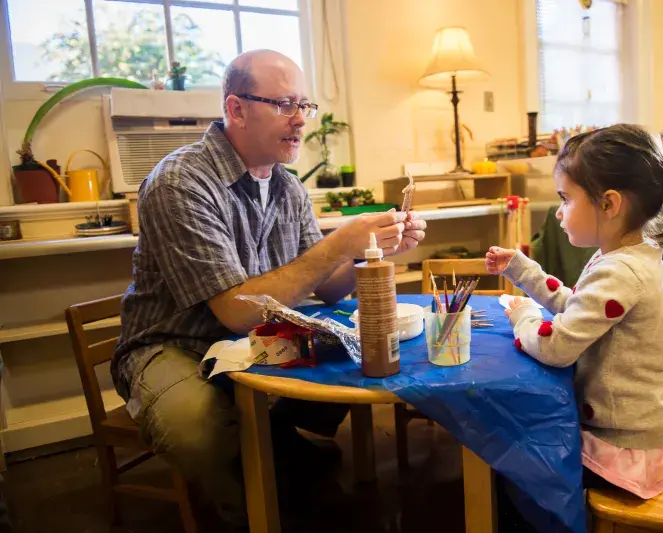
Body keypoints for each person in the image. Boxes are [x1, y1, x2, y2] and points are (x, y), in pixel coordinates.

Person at [112, 49, 427, 528]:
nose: (300, 120)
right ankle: (245, 508)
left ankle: (277, 450)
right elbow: (237, 313)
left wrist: (370, 250)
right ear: (236, 109)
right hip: (174, 341)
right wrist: (338, 241)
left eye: (304, 105)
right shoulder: (180, 182)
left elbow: (329, 290)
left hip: (251, 338)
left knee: (347, 353)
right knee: (195, 426)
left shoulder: (287, 186)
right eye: (284, 105)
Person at [485, 124, 663, 500]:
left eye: (565, 198)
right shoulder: (628, 257)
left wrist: (523, 317)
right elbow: (576, 307)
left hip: (626, 452)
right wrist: (521, 268)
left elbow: (556, 347)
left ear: (609, 203)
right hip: (636, 438)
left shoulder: (620, 272)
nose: (559, 213)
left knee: (511, 471)